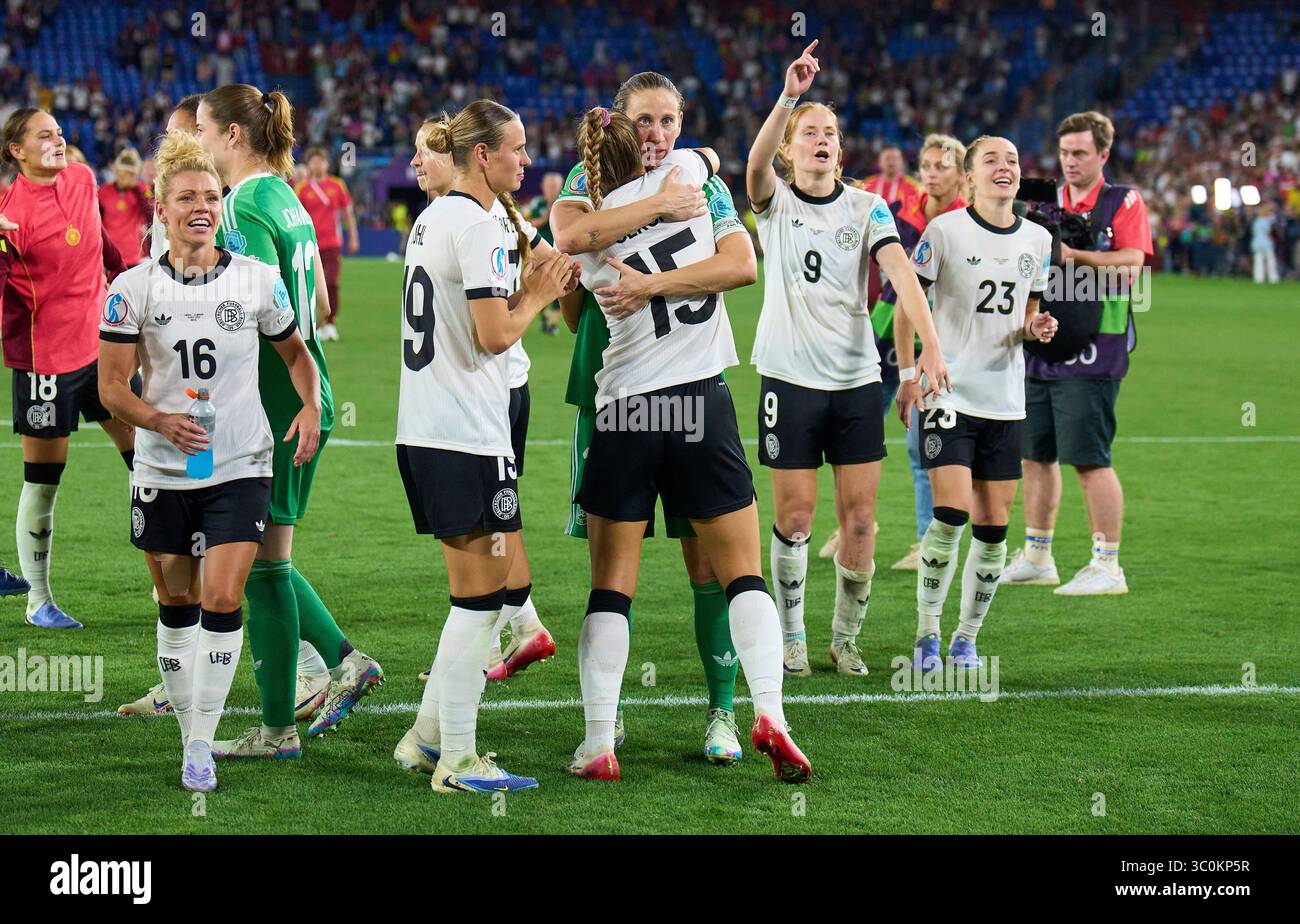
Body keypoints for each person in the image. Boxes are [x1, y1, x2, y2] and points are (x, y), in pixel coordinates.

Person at [566, 104, 811, 784]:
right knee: (743, 576)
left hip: (626, 410)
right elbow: (734, 243)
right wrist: (697, 163)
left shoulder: (589, 226)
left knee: (611, 589)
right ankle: (770, 714)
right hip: (701, 401)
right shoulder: (692, 180)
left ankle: (599, 745)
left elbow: (568, 265)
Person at [98, 130, 321, 792]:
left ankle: (199, 742)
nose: (202, 207)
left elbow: (297, 356)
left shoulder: (256, 281)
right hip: (163, 469)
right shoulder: (130, 289)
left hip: (241, 464)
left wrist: (309, 405)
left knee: (223, 598)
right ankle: (188, 729)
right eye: (187, 197)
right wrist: (158, 419)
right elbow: (112, 387)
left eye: (212, 196)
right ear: (160, 207)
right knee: (177, 600)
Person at [549, 71, 749, 765]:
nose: (658, 134)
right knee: (611, 564)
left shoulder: (702, 179)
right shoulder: (587, 175)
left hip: (689, 383)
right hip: (606, 389)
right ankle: (607, 719)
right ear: (621, 123)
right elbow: (571, 283)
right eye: (645, 121)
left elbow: (738, 260)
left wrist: (651, 271)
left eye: (669, 121)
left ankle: (721, 713)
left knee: (707, 562)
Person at [747, 42, 951, 679]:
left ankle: (845, 637)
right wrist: (790, 97)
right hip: (789, 378)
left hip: (857, 380)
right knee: (796, 518)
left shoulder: (867, 207)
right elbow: (754, 165)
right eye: (810, 133)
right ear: (791, 146)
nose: (822, 141)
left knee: (861, 519)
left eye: (830, 133)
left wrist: (930, 347)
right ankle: (790, 637)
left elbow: (901, 275)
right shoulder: (774, 202)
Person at [190, 84, 382, 758]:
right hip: (310, 393)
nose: (202, 144)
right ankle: (341, 666)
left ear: (234, 137)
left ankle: (278, 728)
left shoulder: (242, 201)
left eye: (207, 132)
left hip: (275, 404)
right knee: (268, 557)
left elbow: (257, 303)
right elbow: (319, 298)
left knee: (254, 565)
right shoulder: (289, 197)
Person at [391, 100, 575, 794]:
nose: (524, 161)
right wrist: (539, 293)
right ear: (482, 156)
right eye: (516, 149)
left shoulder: (434, 216)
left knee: (480, 593)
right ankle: (458, 761)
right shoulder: (477, 224)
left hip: (428, 427)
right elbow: (497, 334)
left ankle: (427, 738)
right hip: (465, 431)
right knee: (482, 597)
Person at [895, 135, 1057, 670]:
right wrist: (908, 372)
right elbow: (906, 306)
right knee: (951, 512)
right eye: (991, 160)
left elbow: (1027, 314)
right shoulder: (944, 232)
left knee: (993, 526)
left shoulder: (1037, 239)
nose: (1005, 167)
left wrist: (1037, 326)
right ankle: (926, 635)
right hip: (950, 393)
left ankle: (967, 636)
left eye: (1012, 160)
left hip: (1005, 399)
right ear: (970, 177)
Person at [1000, 111, 1152, 596]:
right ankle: (1038, 555)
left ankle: (1108, 566)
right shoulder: (1043, 197)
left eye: (1081, 153)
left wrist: (1074, 255)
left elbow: (1133, 263)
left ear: (1104, 155)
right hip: (1042, 340)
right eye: (1065, 152)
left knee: (1089, 457)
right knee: (1034, 453)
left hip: (1096, 346)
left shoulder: (1120, 200)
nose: (1070, 162)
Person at [0, 108, 137, 627]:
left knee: (148, 458)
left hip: (104, 355)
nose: (58, 141)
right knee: (44, 479)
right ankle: (39, 601)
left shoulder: (82, 178)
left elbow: (102, 247)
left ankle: (169, 579)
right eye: (45, 136)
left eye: (59, 133)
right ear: (17, 150)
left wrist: (126, 276)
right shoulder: (8, 214)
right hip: (44, 364)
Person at [822, 134, 969, 570]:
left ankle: (927, 539)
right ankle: (852, 525)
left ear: (962, 175)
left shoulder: (964, 224)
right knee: (852, 436)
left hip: (928, 343)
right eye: (926, 164)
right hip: (882, 330)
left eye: (941, 165)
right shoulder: (901, 211)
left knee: (921, 445)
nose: (931, 172)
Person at [294, 146, 358, 341]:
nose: (317, 164)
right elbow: (295, 216)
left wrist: (353, 236)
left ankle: (330, 323)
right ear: (309, 164)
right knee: (310, 286)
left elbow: (347, 213)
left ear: (327, 164)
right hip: (309, 245)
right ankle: (315, 324)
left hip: (332, 243)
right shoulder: (302, 188)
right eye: (313, 161)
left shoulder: (337, 185)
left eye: (321, 160)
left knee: (331, 283)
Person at [859, 144, 922, 307]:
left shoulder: (914, 187)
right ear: (879, 162)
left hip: (900, 248)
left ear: (902, 162)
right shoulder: (866, 185)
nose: (891, 162)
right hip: (868, 248)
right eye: (887, 158)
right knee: (869, 292)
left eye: (895, 158)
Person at [97, 147, 152, 267]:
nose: (125, 179)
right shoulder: (104, 192)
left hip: (135, 256)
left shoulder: (142, 190)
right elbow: (96, 222)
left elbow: (150, 216)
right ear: (116, 171)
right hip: (110, 255)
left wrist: (136, 189)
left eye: (129, 175)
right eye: (122, 175)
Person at [524, 170, 563, 333]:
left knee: (559, 287)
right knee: (538, 284)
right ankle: (545, 318)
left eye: (554, 186)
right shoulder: (537, 204)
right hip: (538, 253)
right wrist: (544, 219)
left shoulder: (564, 203)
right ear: (543, 187)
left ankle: (553, 324)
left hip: (558, 251)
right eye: (549, 186)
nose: (552, 190)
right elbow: (526, 224)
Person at [1251, 202, 1280, 284]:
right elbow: (1268, 233)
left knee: (1258, 261)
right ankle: (1273, 278)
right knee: (1270, 261)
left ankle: (1258, 278)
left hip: (1257, 243)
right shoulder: (1266, 221)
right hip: (1266, 243)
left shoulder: (1256, 222)